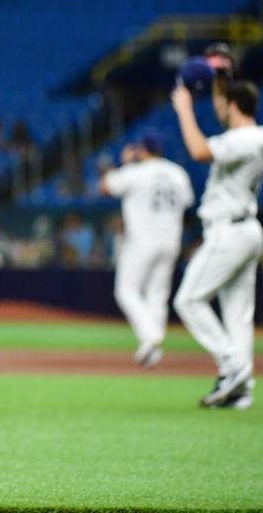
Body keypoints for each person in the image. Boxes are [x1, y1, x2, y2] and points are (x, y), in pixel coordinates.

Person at [170, 75, 263, 410]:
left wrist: (185, 108)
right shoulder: (255, 137)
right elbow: (224, 113)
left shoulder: (246, 138)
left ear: (233, 106)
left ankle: (233, 366)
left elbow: (199, 150)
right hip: (245, 229)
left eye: (224, 104)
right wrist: (217, 83)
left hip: (230, 232)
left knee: (188, 300)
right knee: (237, 314)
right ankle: (241, 390)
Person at [98, 132, 194, 367]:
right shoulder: (177, 173)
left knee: (126, 290)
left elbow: (105, 187)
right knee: (157, 294)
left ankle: (150, 335)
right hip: (171, 240)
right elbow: (189, 203)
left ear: (141, 150)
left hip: (142, 239)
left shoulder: (136, 172)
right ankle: (153, 353)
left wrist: (125, 163)